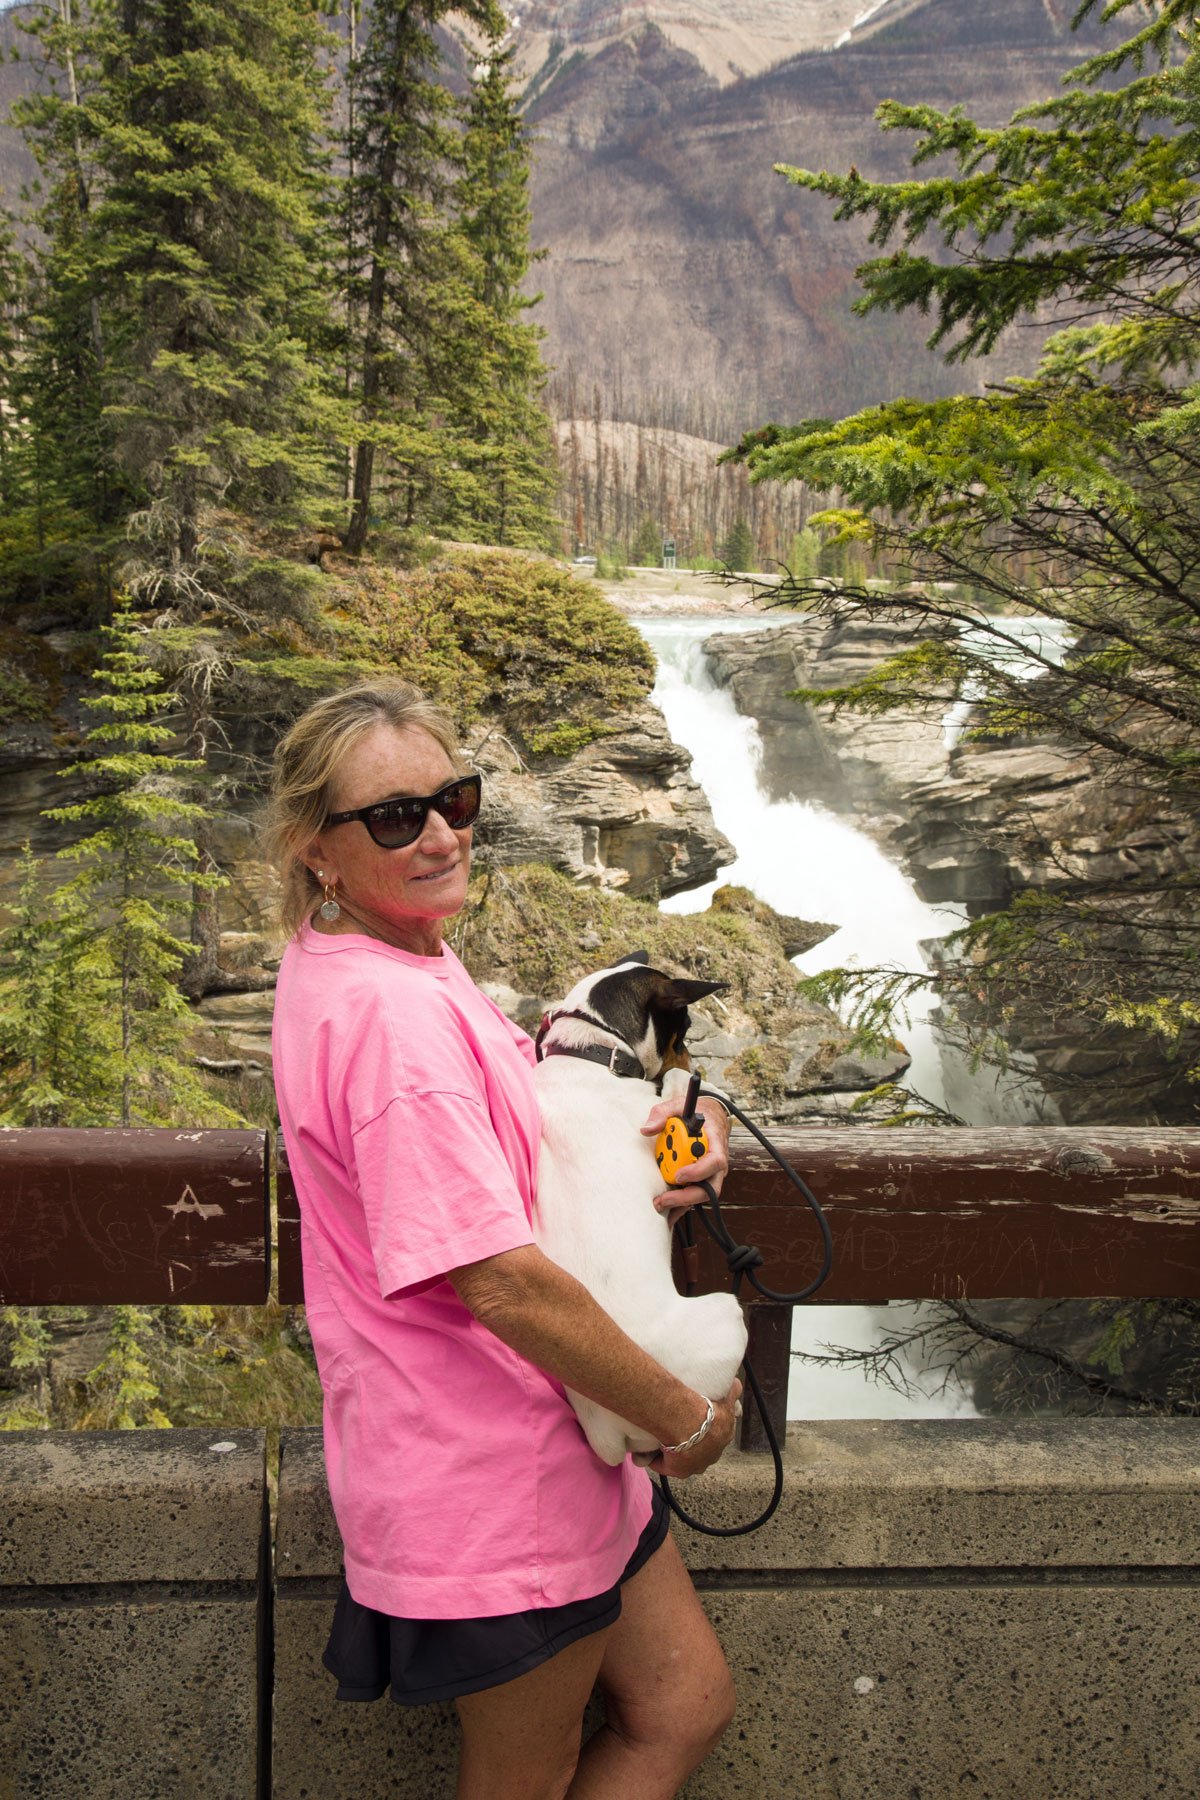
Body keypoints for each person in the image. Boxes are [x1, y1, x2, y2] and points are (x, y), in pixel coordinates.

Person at [266, 678, 741, 1800]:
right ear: (314, 849)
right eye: (394, 818)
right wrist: (686, 1417)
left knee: (681, 1706)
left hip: (557, 1443)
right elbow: (501, 1283)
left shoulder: (388, 960)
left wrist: (681, 1126)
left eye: (456, 799)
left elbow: (530, 1117)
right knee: (532, 1772)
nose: (439, 834)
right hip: (495, 1475)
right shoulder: (391, 1023)